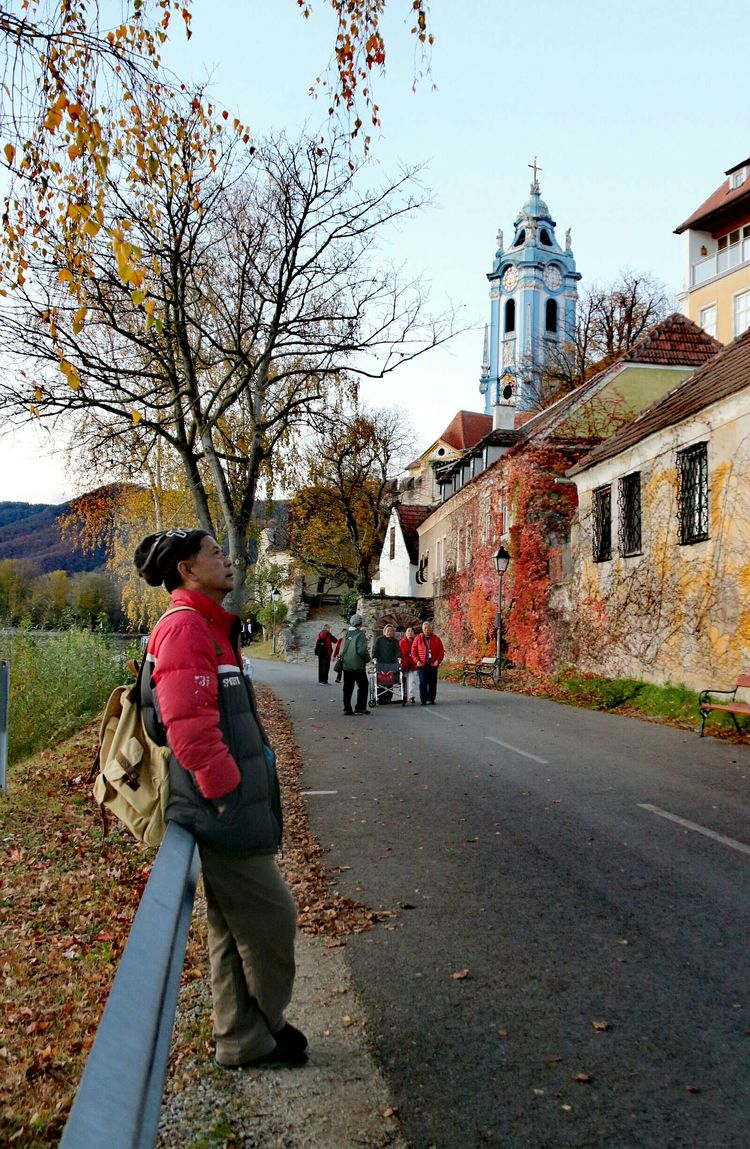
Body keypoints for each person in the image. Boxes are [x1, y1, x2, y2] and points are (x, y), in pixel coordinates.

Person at [133, 528, 307, 1069]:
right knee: (274, 919)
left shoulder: (208, 626)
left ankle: (239, 1038)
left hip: (226, 808)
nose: (228, 560)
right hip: (221, 811)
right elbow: (188, 728)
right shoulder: (186, 628)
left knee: (232, 929)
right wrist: (228, 795)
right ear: (187, 569)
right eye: (215, 553)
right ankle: (271, 1024)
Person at [340, 613, 371, 716]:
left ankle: (347, 708)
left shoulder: (346, 633)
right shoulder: (360, 634)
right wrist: (368, 659)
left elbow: (342, 649)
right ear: (360, 623)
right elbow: (362, 650)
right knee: (363, 685)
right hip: (357, 665)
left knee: (347, 687)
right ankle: (360, 707)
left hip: (346, 664)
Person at [411, 620, 445, 705]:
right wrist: (417, 661)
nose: (426, 630)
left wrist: (438, 661)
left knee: (432, 682)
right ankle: (423, 699)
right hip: (422, 664)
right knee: (423, 682)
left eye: (428, 628)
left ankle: (431, 698)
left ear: (431, 629)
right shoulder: (418, 638)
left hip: (433, 664)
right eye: (424, 628)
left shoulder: (436, 639)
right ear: (422, 629)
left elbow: (441, 651)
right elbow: (413, 651)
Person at [372, 623, 400, 703]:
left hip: (391, 664)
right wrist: (374, 658)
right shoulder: (379, 640)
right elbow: (375, 650)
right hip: (381, 663)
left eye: (391, 631)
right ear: (384, 632)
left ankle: (388, 698)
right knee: (381, 681)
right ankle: (380, 698)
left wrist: (399, 658)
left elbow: (398, 651)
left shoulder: (395, 641)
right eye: (388, 631)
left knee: (390, 681)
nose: (390, 632)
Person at [399, 625, 418, 704]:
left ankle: (411, 696)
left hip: (414, 664)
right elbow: (402, 653)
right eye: (408, 631)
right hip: (404, 664)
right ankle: (404, 695)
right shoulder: (401, 642)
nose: (410, 633)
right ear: (405, 633)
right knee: (404, 681)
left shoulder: (416, 641)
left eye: (411, 631)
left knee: (412, 681)